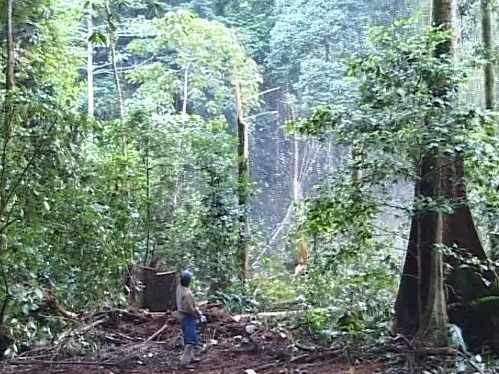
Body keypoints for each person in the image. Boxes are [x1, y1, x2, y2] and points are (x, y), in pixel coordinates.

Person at [176, 270, 206, 366]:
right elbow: (189, 309)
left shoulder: (179, 289)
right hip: (187, 317)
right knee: (190, 340)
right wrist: (197, 314)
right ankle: (185, 361)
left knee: (189, 337)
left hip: (180, 315)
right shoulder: (187, 293)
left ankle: (191, 357)